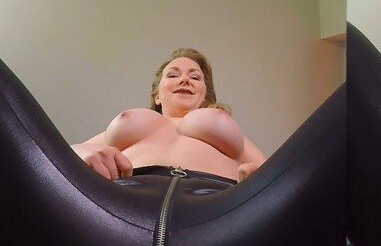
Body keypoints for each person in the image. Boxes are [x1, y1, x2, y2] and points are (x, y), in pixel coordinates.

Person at [71, 48, 266, 182]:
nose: (185, 80)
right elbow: (69, 153)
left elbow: (270, 170)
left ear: (204, 96)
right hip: (127, 194)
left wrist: (255, 181)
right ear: (157, 95)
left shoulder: (226, 129)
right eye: (173, 75)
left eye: (195, 77)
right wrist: (83, 153)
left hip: (216, 198)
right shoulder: (143, 125)